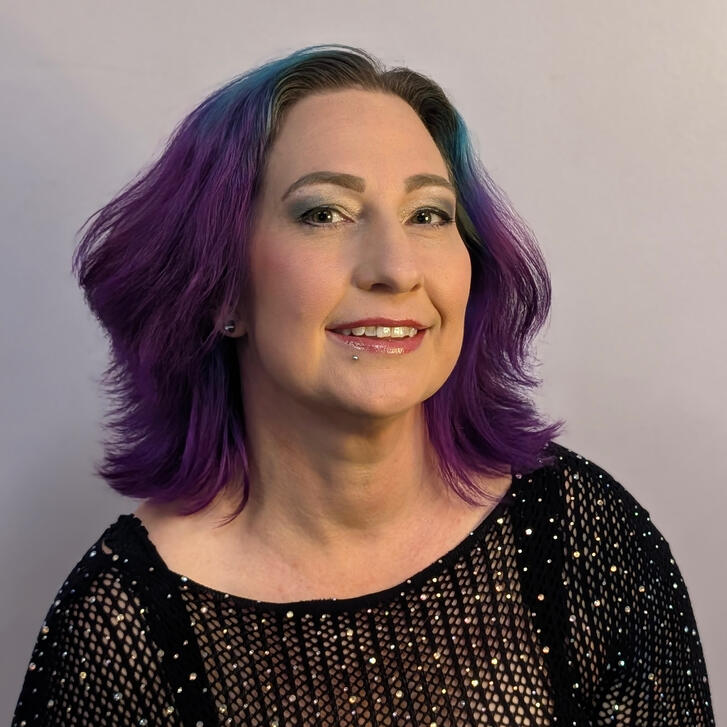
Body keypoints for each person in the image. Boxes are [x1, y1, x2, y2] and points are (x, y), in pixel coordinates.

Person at [12, 44, 714, 726]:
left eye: (428, 214)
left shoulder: (580, 539)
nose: (395, 268)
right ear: (220, 288)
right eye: (324, 213)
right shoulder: (123, 626)